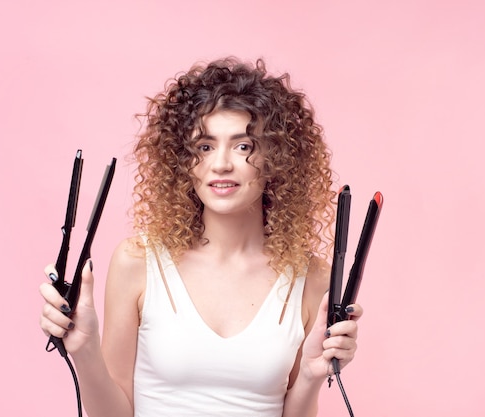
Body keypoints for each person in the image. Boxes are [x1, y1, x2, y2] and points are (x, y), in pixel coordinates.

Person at [39, 57, 362, 417]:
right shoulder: (138, 262)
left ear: (277, 158)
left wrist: (311, 376)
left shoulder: (311, 278)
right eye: (205, 147)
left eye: (243, 147)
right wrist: (85, 352)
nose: (221, 164)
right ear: (183, 159)